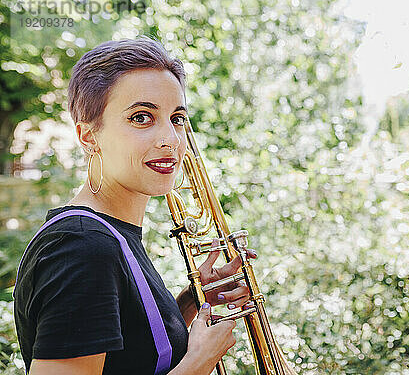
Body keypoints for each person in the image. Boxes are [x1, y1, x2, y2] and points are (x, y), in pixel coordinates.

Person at [13, 36, 256, 375]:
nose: (170, 138)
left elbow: (128, 356)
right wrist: (199, 363)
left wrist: (194, 300)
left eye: (177, 118)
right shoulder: (83, 247)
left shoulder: (109, 235)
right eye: (141, 118)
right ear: (89, 136)